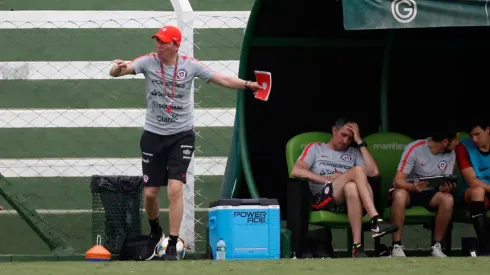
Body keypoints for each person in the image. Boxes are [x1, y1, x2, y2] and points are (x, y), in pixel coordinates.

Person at [109, 25, 262, 260]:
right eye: (157, 41)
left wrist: (247, 84)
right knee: (150, 193)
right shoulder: (148, 62)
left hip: (182, 135)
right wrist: (116, 69)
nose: (158, 46)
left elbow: (221, 78)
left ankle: (172, 243)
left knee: (175, 188)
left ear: (176, 45)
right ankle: (155, 232)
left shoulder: (190, 65)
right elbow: (122, 70)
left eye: (163, 42)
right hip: (153, 135)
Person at [291, 117, 399, 258]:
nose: (346, 141)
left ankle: (357, 247)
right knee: (358, 171)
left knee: (351, 187)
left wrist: (360, 142)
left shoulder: (353, 152)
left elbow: (374, 172)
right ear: (334, 130)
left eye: (350, 138)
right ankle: (375, 219)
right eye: (343, 135)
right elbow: (296, 171)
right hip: (323, 198)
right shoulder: (315, 148)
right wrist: (326, 179)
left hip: (346, 202)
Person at [388, 129, 460, 257]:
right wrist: (412, 186)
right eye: (455, 140)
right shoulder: (415, 148)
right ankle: (396, 246)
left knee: (448, 199)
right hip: (409, 189)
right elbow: (397, 181)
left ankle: (436, 247)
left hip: (431, 192)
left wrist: (445, 188)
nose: (457, 143)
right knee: (399, 195)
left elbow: (445, 179)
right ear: (445, 142)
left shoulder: (451, 153)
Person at [456, 118, 490, 256]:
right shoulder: (463, 147)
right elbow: (472, 181)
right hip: (471, 192)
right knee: (478, 191)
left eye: (478, 134)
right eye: (471, 135)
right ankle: (485, 247)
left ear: (488, 130)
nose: (474, 139)